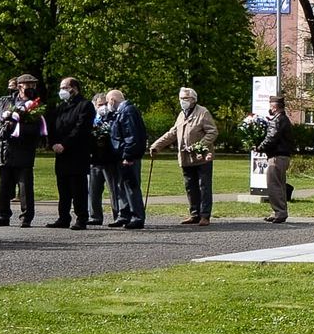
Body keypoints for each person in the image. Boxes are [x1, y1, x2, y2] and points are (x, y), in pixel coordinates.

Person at [0, 74, 47, 227]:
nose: (32, 88)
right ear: (19, 86)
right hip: (4, 149)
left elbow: (38, 127)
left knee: (25, 185)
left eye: (34, 85)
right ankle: (3, 215)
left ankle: (26, 217)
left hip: (24, 149)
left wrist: (18, 129)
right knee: (3, 186)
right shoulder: (3, 101)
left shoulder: (36, 105)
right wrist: (1, 129)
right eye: (28, 85)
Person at [150, 87, 217, 225]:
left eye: (185, 98)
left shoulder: (203, 112)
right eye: (181, 98)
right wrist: (157, 145)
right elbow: (172, 133)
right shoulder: (181, 115)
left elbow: (212, 132)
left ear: (193, 99)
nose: (182, 101)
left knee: (203, 186)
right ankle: (194, 214)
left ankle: (205, 215)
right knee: (190, 186)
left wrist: (199, 145)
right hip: (186, 158)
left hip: (202, 157)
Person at [47, 76, 96, 229]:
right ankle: (63, 217)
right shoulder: (61, 107)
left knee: (78, 188)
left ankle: (81, 218)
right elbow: (52, 126)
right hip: (61, 154)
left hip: (77, 153)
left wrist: (65, 144)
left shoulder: (85, 105)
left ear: (73, 88)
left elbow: (80, 128)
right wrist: (53, 143)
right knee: (63, 188)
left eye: (64, 88)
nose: (62, 91)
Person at [107, 89, 148, 229]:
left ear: (112, 100)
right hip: (121, 154)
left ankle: (137, 217)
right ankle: (124, 215)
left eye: (108, 102)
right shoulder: (122, 112)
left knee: (131, 186)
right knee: (122, 186)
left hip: (128, 156)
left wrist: (128, 155)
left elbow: (131, 135)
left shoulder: (127, 111)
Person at [257, 95, 295, 223]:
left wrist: (260, 147)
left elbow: (272, 138)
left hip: (277, 157)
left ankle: (279, 212)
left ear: (274, 107)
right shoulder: (284, 119)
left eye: (270, 106)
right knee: (280, 185)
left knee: (274, 185)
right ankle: (278, 211)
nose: (270, 108)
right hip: (283, 156)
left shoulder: (277, 120)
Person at [87, 92, 119, 226]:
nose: (103, 107)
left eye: (105, 104)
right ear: (94, 105)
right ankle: (95, 216)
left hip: (110, 159)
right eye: (100, 104)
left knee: (114, 190)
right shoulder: (90, 120)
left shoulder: (113, 118)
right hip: (94, 160)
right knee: (93, 190)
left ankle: (118, 215)